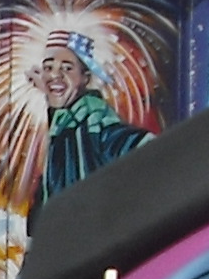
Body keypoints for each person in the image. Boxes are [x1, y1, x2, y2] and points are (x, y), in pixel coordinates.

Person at [32, 29, 150, 204]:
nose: (55, 75)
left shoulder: (95, 120)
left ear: (85, 78)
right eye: (48, 68)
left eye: (67, 68)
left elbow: (134, 145)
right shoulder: (61, 126)